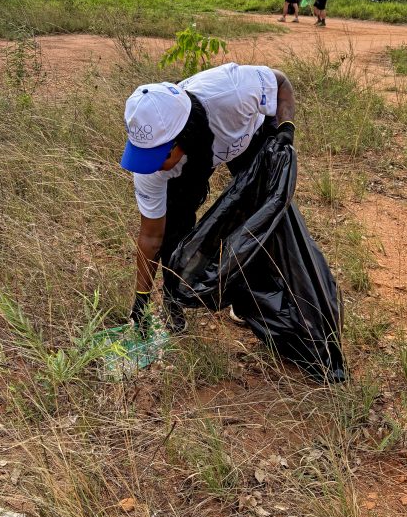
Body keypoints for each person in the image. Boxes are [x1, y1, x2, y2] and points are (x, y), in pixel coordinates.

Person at [120, 63, 296, 334]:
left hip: (249, 138)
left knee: (260, 219)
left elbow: (281, 82)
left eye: (159, 157)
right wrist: (140, 302)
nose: (151, 166)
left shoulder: (233, 92)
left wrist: (286, 127)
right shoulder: (150, 170)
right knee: (175, 230)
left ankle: (250, 298)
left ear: (183, 137)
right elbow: (151, 237)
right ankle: (173, 299)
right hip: (201, 155)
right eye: (145, 156)